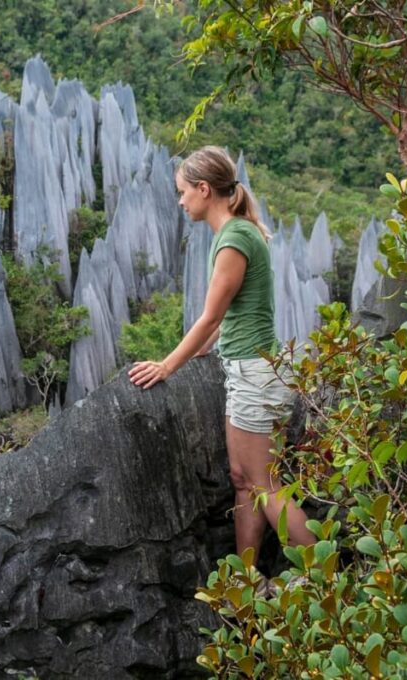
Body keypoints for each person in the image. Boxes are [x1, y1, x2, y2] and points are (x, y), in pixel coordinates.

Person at [128, 145, 315, 574]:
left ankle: (325, 578)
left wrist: (167, 365)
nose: (180, 201)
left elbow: (210, 314)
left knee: (265, 484)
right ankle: (247, 580)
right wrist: (214, 341)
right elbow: (229, 313)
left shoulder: (233, 239)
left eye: (182, 192)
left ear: (204, 189)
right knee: (242, 478)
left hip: (256, 374)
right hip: (247, 369)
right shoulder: (236, 234)